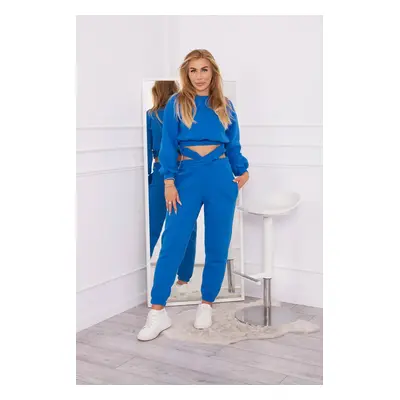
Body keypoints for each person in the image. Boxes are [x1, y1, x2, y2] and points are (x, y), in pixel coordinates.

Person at [138, 49, 250, 341]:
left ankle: (206, 304)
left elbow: (233, 145)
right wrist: (168, 182)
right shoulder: (176, 103)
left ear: (213, 73)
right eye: (193, 70)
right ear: (186, 74)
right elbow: (167, 145)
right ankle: (157, 312)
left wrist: (243, 170)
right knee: (173, 242)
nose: (199, 76)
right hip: (185, 178)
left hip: (220, 177)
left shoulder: (225, 105)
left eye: (204, 70)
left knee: (217, 243)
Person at [146, 81, 197, 299]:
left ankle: (142, 276)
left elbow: (146, 150)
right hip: (186, 172)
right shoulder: (186, 113)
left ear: (156, 92)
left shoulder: (151, 116)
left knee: (152, 226)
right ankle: (184, 280)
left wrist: (147, 178)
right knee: (188, 228)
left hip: (161, 174)